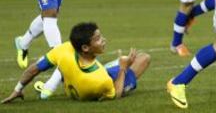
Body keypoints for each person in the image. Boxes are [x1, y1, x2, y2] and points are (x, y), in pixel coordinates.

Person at [1, 22, 151, 103]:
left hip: (76, 82)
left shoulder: (63, 49)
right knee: (144, 58)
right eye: (98, 38)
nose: (103, 40)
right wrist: (123, 69)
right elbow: (115, 94)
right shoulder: (100, 79)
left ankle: (49, 87)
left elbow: (33, 69)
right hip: (98, 84)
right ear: (85, 47)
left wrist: (17, 89)